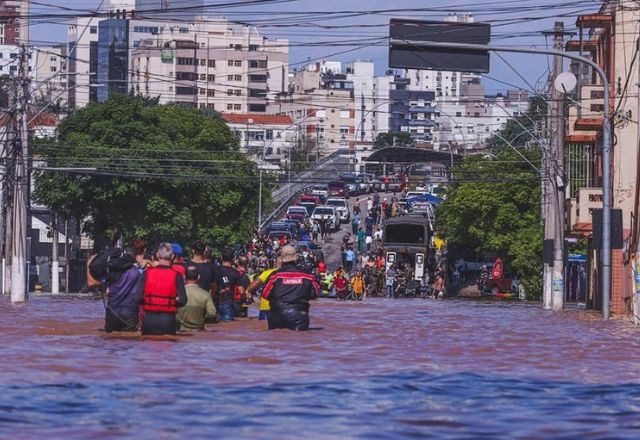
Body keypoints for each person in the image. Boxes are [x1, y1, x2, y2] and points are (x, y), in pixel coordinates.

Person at [261, 245, 319, 331]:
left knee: (276, 341)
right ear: (295, 258)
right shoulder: (307, 275)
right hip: (299, 314)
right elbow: (316, 293)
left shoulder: (275, 275)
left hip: (277, 313)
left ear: (282, 259)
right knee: (299, 341)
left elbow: (265, 294)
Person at [140, 243, 188, 336]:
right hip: (168, 321)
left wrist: (150, 301)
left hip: (149, 320)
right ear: (173, 256)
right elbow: (183, 300)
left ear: (158, 255)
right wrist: (169, 302)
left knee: (147, 348)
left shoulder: (146, 274)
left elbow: (136, 298)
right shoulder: (177, 276)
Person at [104, 245, 144, 332]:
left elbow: (106, 291)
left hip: (112, 312)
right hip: (129, 313)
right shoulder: (137, 273)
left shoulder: (113, 271)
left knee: (109, 342)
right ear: (135, 257)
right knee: (128, 342)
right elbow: (140, 295)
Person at [177, 265, 216, 331]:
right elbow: (212, 313)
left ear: (184, 277)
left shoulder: (178, 292)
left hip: (180, 329)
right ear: (198, 277)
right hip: (198, 329)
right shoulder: (205, 294)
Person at [212, 247, 246, 321]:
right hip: (228, 303)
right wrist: (244, 299)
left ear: (221, 257)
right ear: (233, 259)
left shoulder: (215, 270)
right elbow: (241, 292)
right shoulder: (235, 273)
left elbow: (212, 287)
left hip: (215, 303)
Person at [247, 256, 282, 321]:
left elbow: (256, 282)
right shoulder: (289, 274)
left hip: (266, 306)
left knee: (264, 327)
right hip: (282, 307)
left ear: (275, 263)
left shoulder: (268, 273)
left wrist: (248, 290)